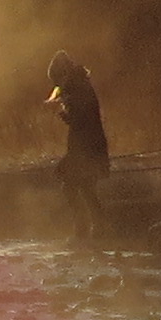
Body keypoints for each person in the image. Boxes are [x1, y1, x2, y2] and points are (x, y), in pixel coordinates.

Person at [43, 54, 108, 230]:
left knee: (70, 186)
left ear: (61, 74)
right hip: (92, 143)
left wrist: (65, 116)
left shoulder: (75, 87)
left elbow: (80, 118)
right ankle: (97, 227)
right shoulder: (81, 83)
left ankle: (83, 227)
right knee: (86, 187)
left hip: (84, 146)